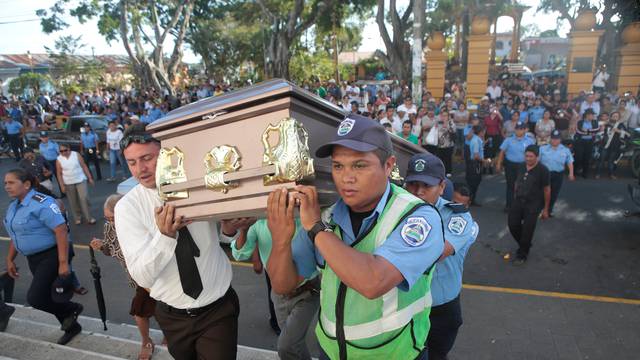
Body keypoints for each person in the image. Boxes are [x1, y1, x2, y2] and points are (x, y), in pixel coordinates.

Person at [267, 115, 444, 360]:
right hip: (331, 352)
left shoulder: (418, 217)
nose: (346, 177)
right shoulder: (327, 213)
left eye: (360, 165)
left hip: (393, 355)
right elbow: (283, 285)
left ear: (388, 165)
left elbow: (373, 282)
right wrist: (281, 240)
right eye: (338, 166)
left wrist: (316, 229)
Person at [115, 124, 239, 360]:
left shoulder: (199, 185)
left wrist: (230, 229)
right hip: (172, 316)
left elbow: (222, 236)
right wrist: (165, 237)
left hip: (217, 309)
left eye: (147, 158)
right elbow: (142, 276)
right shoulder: (127, 208)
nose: (140, 169)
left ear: (166, 152)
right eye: (132, 162)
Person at [404, 154, 478, 360]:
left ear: (442, 187)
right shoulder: (398, 212)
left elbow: (436, 252)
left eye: (426, 185)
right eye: (413, 184)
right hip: (407, 307)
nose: (418, 191)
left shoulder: (457, 216)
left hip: (441, 310)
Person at [3, 169, 84, 344]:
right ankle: (71, 326)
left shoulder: (42, 203)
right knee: (48, 296)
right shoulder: (13, 206)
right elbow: (16, 235)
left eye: (11, 182)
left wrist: (63, 263)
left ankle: (72, 308)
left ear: (26, 184)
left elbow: (61, 230)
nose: (6, 186)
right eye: (5, 183)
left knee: (36, 298)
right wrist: (10, 259)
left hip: (51, 255)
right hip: (33, 258)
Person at [229, 219, 320, 360]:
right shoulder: (259, 223)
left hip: (307, 292)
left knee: (286, 345)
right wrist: (244, 230)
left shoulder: (302, 217)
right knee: (293, 344)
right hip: (279, 296)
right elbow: (239, 254)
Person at [90, 194, 159, 360]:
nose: (111, 222)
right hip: (136, 278)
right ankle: (147, 341)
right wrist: (102, 247)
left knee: (148, 310)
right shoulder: (109, 227)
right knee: (144, 311)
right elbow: (111, 250)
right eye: (107, 218)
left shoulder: (140, 224)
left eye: (113, 218)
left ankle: (156, 340)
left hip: (153, 274)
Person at [508, 145, 551, 265]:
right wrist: (515, 194)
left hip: (533, 205)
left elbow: (547, 190)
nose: (528, 159)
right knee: (513, 225)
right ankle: (525, 243)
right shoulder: (521, 166)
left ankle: (522, 254)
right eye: (526, 156)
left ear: (537, 157)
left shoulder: (543, 170)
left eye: (531, 156)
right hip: (518, 201)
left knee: (528, 231)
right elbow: (517, 181)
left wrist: (546, 209)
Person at [496, 121, 536, 211]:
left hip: (523, 166)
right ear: (515, 130)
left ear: (524, 130)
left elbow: (533, 154)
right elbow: (502, 152)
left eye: (521, 129)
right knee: (510, 185)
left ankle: (520, 205)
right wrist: (499, 163)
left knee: (522, 186)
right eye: (517, 129)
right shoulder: (508, 139)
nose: (519, 131)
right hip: (510, 165)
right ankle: (509, 205)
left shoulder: (530, 141)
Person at [56, 143, 96, 225]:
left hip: (80, 179)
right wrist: (61, 185)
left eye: (65, 150)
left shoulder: (76, 155)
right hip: (68, 182)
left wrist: (90, 177)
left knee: (83, 198)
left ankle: (89, 217)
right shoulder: (59, 159)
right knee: (73, 201)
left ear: (69, 148)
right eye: (61, 151)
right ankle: (78, 217)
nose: (63, 152)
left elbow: (84, 166)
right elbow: (59, 174)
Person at [539, 130, 575, 217]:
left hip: (558, 174)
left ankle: (549, 210)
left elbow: (569, 162)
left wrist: (571, 173)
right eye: (553, 139)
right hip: (545, 174)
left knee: (554, 193)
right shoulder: (542, 148)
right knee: (542, 192)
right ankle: (541, 209)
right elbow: (536, 161)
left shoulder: (565, 150)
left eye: (557, 139)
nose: (555, 141)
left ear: (560, 140)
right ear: (550, 139)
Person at [596, 111, 629, 179]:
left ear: (619, 117)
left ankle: (611, 174)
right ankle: (598, 173)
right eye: (613, 116)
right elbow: (598, 125)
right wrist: (602, 127)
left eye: (616, 116)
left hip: (614, 146)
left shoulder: (621, 125)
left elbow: (628, 134)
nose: (615, 117)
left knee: (611, 161)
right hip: (605, 145)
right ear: (611, 117)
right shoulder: (607, 123)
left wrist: (618, 131)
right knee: (601, 160)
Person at [574, 109, 600, 178]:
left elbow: (597, 130)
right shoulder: (580, 122)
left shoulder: (595, 122)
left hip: (590, 142)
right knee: (578, 157)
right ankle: (574, 171)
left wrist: (587, 131)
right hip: (580, 142)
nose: (593, 116)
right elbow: (578, 131)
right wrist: (590, 132)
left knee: (587, 158)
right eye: (592, 115)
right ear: (587, 115)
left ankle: (585, 173)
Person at [466, 126, 486, 206]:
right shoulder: (476, 141)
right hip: (475, 164)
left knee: (473, 182)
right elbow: (476, 156)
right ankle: (470, 200)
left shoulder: (476, 139)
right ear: (481, 132)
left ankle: (471, 200)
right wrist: (485, 161)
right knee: (474, 183)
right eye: (483, 131)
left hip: (474, 164)